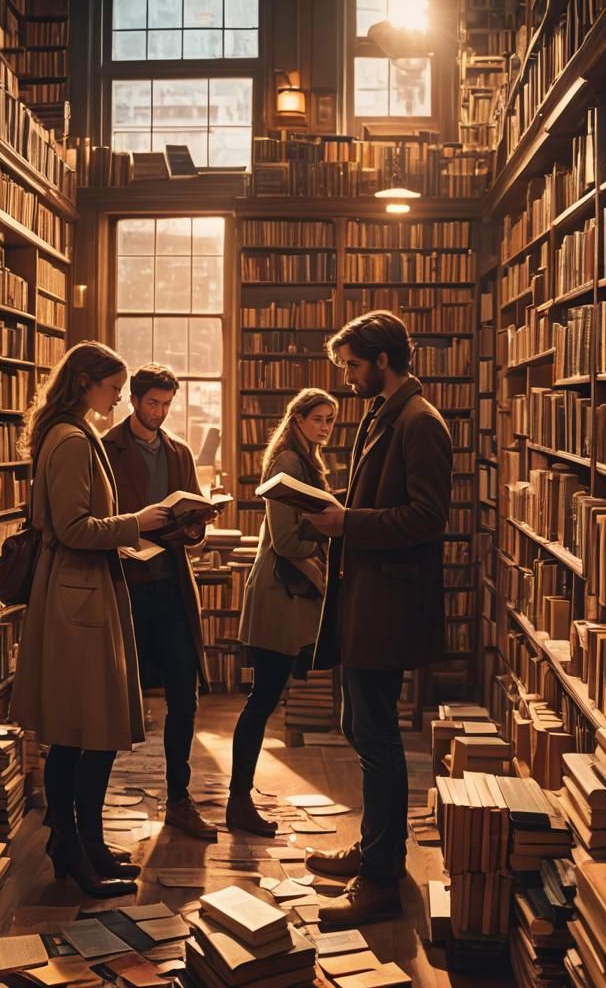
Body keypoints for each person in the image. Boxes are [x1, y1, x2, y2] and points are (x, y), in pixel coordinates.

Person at [304, 311, 453, 926]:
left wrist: (348, 522)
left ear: (383, 361)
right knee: (363, 729)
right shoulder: (383, 413)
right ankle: (375, 849)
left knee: (378, 739)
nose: (346, 378)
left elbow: (426, 518)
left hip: (387, 605)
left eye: (353, 366)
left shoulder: (420, 423)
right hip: (366, 597)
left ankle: (382, 878)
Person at [9, 342, 170, 897]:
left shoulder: (70, 433)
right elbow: (76, 527)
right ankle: (74, 848)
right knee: (85, 730)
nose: (120, 398)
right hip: (76, 598)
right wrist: (136, 523)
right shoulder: (72, 440)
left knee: (81, 730)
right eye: (113, 387)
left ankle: (83, 844)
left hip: (81, 590)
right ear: (83, 382)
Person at [102, 364, 219, 841]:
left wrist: (194, 526)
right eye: (153, 403)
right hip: (125, 585)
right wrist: (136, 524)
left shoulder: (178, 452)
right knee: (112, 699)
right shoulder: (107, 449)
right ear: (134, 399)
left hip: (171, 584)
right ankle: (94, 807)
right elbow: (97, 519)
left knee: (183, 697)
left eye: (167, 404)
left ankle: (178, 799)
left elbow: (192, 522)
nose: (160, 412)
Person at [228, 389, 337, 836]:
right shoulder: (290, 462)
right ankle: (238, 800)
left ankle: (240, 797)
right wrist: (330, 530)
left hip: (289, 596)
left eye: (330, 419)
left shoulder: (304, 459)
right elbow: (287, 541)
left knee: (265, 699)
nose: (326, 426)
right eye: (318, 418)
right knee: (262, 701)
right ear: (298, 419)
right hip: (279, 596)